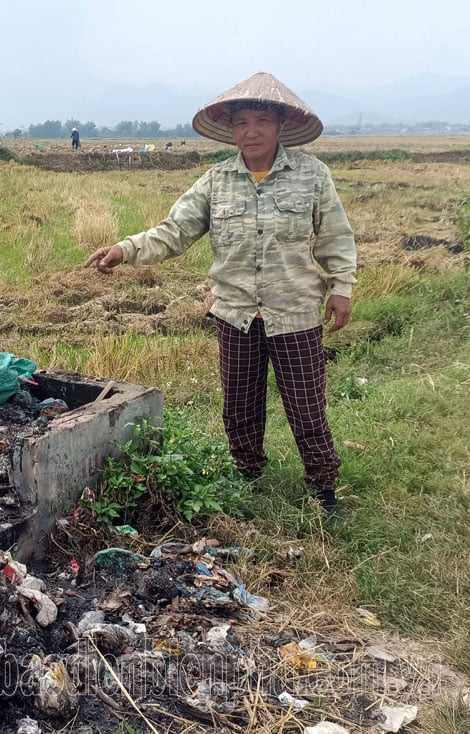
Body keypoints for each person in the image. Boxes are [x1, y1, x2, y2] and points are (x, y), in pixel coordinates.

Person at [84, 72, 356, 516]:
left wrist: (341, 288)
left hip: (296, 313)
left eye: (262, 120)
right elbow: (175, 231)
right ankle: (247, 476)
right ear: (231, 130)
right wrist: (125, 248)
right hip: (235, 315)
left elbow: (336, 239)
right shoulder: (216, 181)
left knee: (307, 409)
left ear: (280, 125)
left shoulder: (312, 175)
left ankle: (323, 488)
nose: (251, 131)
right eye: (242, 122)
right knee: (239, 407)